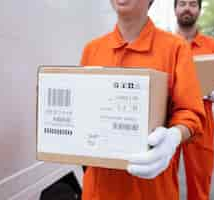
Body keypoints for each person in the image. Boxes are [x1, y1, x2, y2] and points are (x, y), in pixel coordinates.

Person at [80, 0, 206, 199]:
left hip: (152, 189)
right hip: (98, 190)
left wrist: (173, 137)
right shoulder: (92, 49)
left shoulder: (175, 49)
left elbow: (191, 113)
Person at [174, 0, 214, 199]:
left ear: (199, 10)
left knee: (200, 180)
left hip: (203, 123)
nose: (187, 8)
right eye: (182, 3)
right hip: (168, 121)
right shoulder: (165, 43)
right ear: (175, 9)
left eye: (193, 4)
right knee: (162, 180)